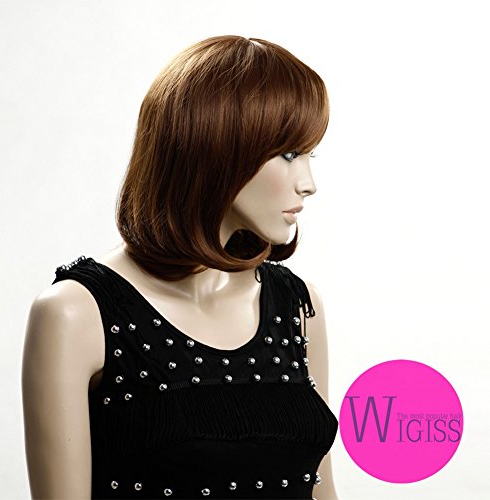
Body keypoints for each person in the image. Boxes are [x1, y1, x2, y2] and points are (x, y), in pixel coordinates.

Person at [22, 35, 339, 499]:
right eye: (289, 155)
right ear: (214, 149)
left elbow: (321, 487)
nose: (308, 183)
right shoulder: (75, 313)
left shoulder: (298, 305)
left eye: (311, 154)